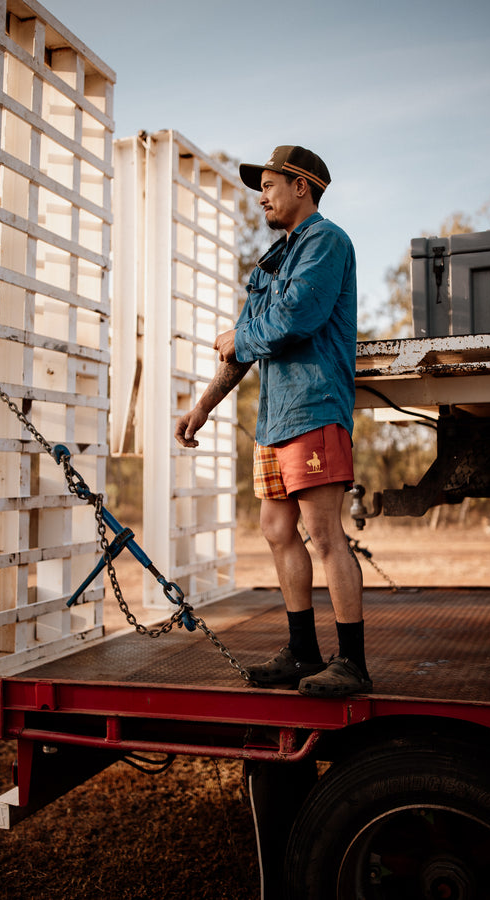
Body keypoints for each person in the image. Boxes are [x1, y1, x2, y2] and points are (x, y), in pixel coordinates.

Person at [174, 145, 371, 698]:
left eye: (269, 185)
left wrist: (241, 336)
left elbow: (296, 318)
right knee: (277, 530)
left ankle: (352, 661)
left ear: (301, 187)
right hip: (275, 418)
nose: (260, 196)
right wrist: (202, 407)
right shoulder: (272, 261)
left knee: (326, 535)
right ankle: (302, 652)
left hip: (313, 407)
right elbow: (242, 348)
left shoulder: (327, 243)